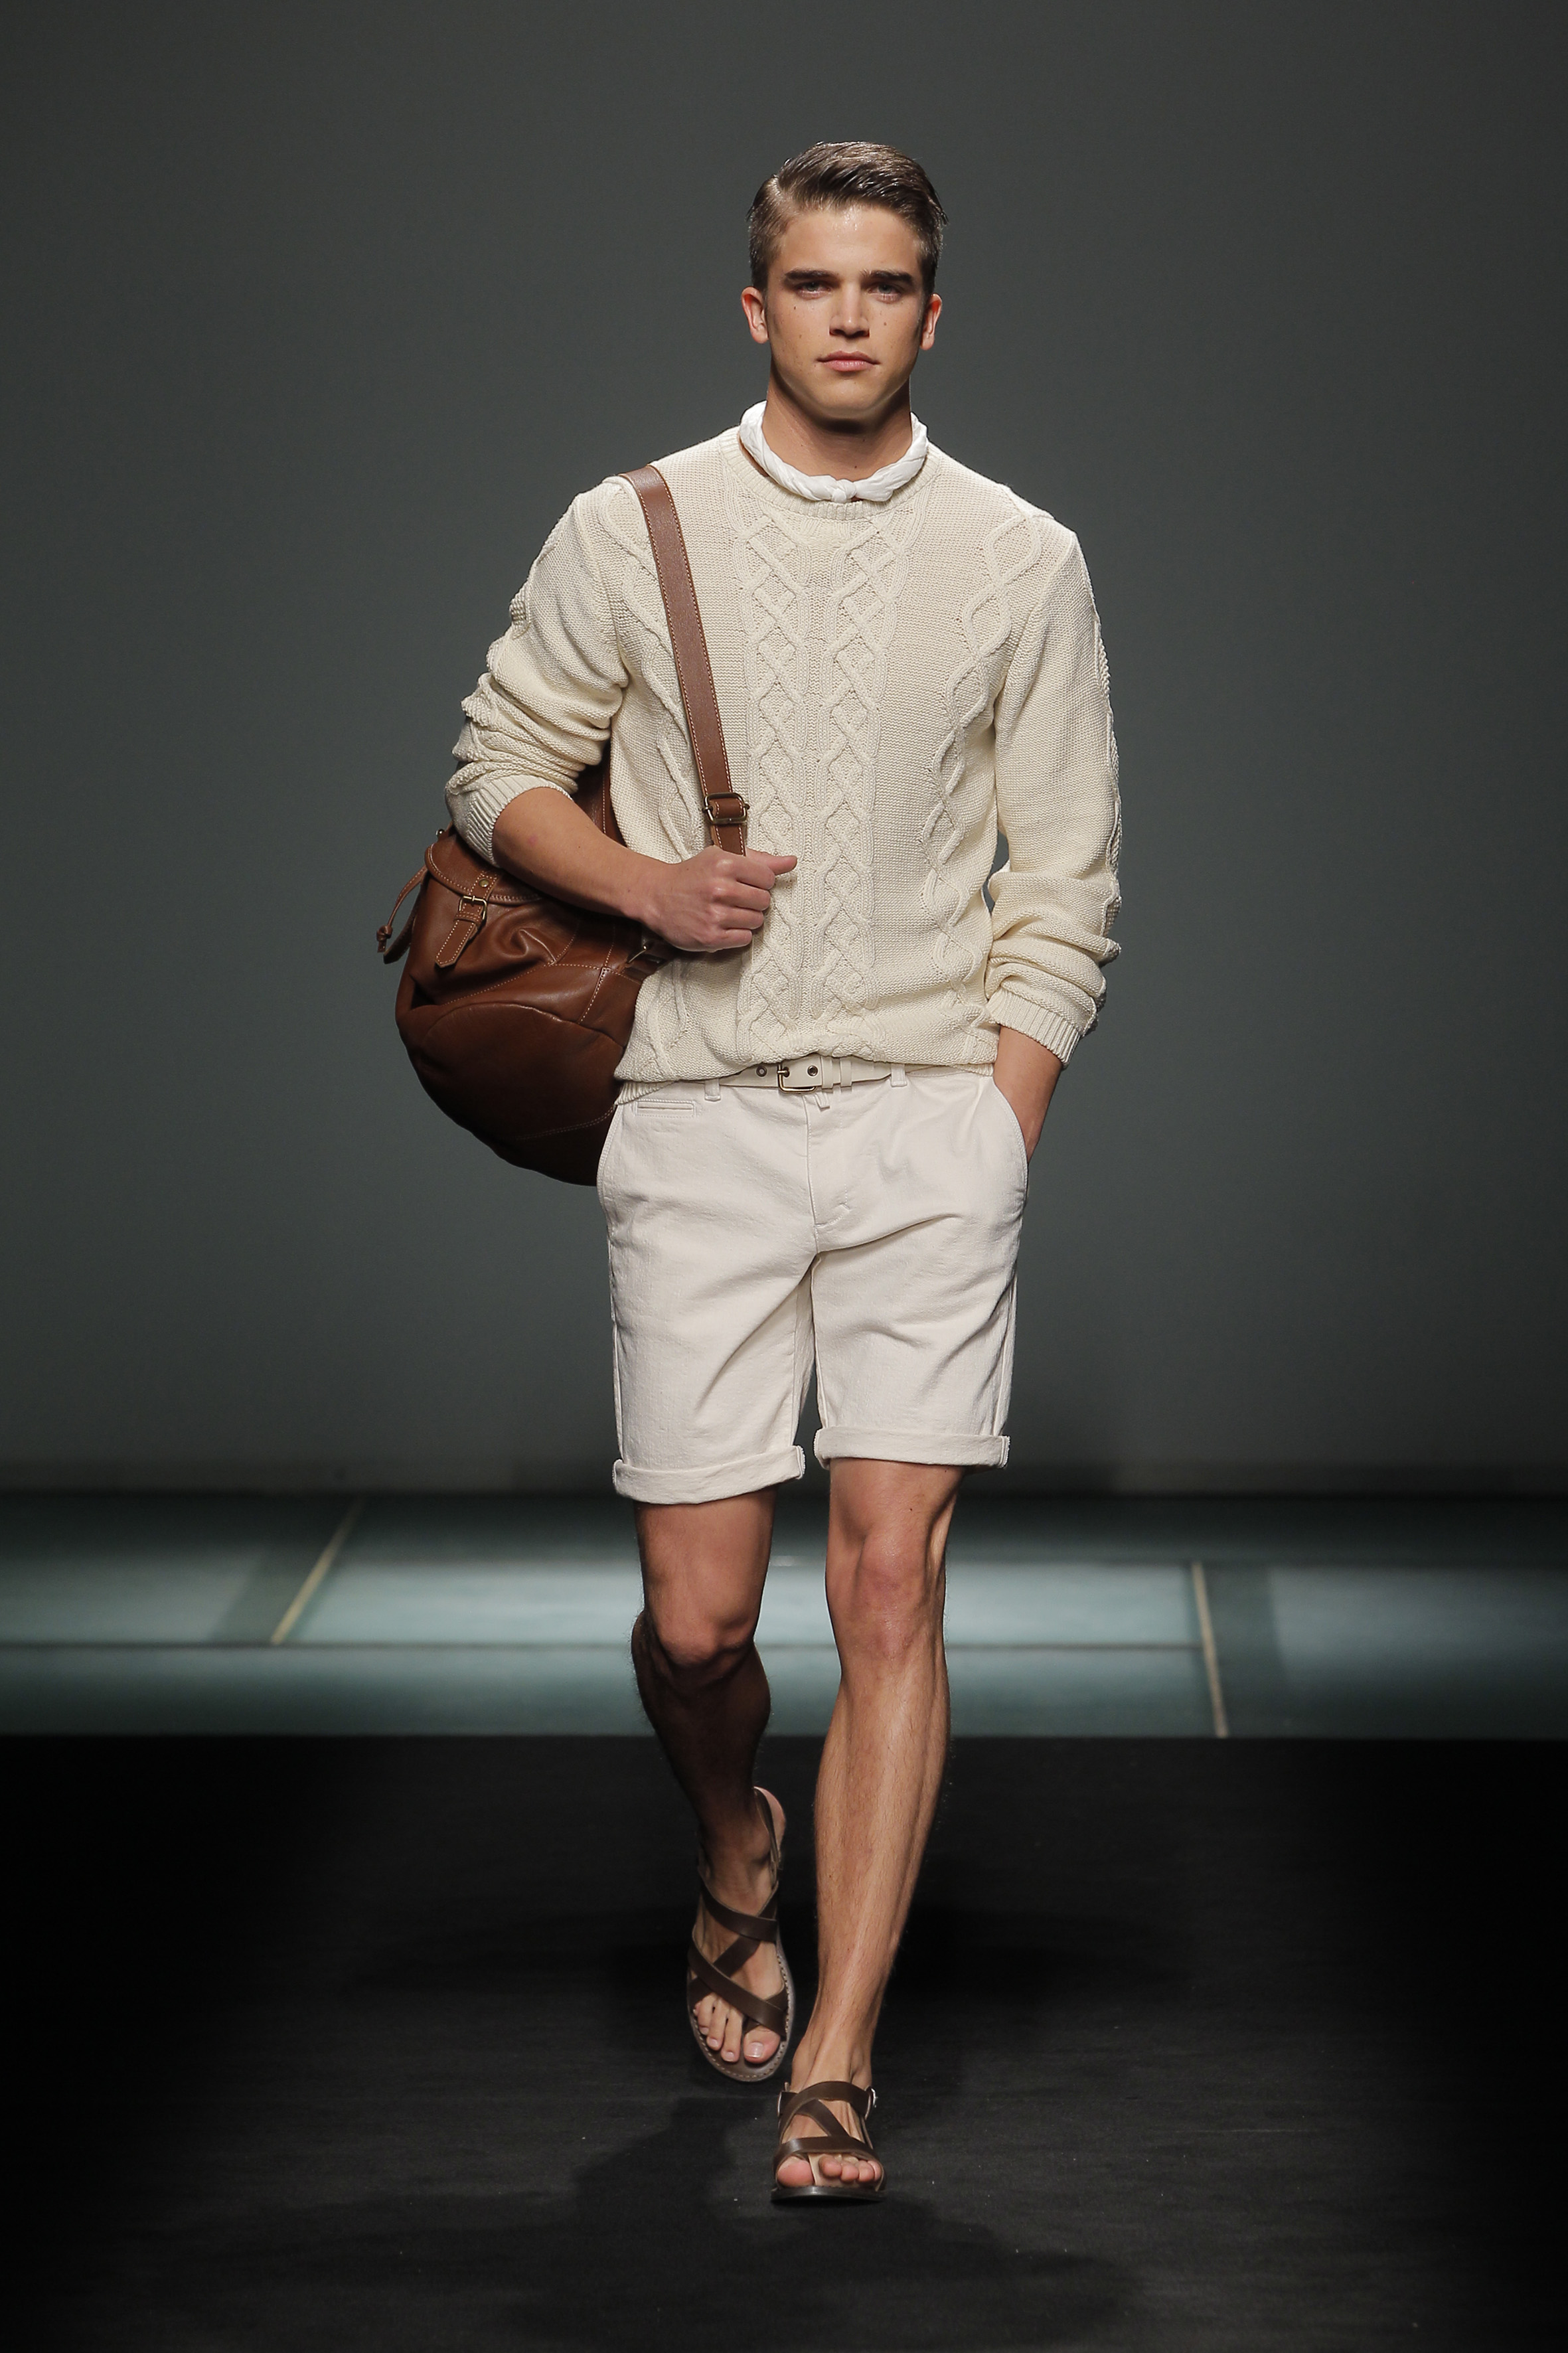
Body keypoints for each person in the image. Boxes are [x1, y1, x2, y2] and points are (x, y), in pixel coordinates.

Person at [445, 141, 1121, 2202]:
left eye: (884, 283)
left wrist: (993, 1119)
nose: (848, 315)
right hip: (701, 1115)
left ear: (933, 311)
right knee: (695, 1621)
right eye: (814, 283)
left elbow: (1065, 875)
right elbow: (493, 765)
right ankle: (735, 1839)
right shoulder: (632, 525)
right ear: (756, 308)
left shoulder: (1019, 558)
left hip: (925, 1122)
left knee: (891, 1580)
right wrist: (645, 884)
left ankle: (837, 2050)